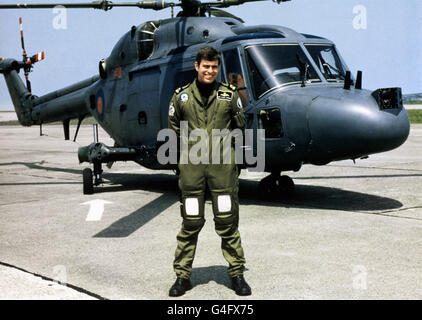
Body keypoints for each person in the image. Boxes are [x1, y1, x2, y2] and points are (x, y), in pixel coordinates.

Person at [167, 46, 251, 297]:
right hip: (192, 170)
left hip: (222, 170)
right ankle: (182, 277)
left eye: (214, 67)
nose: (210, 71)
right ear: (197, 66)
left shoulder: (229, 95)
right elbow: (174, 130)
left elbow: (240, 126)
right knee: (190, 223)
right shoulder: (181, 97)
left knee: (227, 222)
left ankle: (237, 274)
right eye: (206, 66)